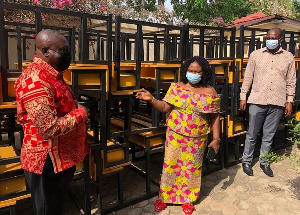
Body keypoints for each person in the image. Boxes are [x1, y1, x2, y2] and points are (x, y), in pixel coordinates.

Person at [14, 29, 89, 215]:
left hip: (59, 159)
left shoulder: (52, 74)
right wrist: (81, 113)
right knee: (48, 210)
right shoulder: (36, 79)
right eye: (62, 50)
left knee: (56, 206)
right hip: (46, 160)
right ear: (45, 51)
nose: (67, 54)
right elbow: (48, 128)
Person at [136, 56, 221, 215]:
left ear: (204, 73)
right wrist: (152, 99)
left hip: (197, 139)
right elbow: (164, 107)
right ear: (185, 71)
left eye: (197, 71)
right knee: (171, 166)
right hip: (175, 136)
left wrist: (216, 139)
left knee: (192, 169)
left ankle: (188, 199)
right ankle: (165, 197)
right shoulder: (176, 87)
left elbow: (215, 116)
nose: (193, 73)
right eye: (190, 70)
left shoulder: (210, 92)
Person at [240, 28, 296, 177]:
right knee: (252, 133)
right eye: (268, 37)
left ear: (281, 40)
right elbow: (248, 78)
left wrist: (289, 101)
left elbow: (291, 82)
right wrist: (243, 96)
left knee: (269, 135)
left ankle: (264, 162)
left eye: (273, 38)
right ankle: (246, 161)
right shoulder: (256, 55)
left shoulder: (289, 57)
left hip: (277, 102)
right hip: (257, 100)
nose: (270, 40)